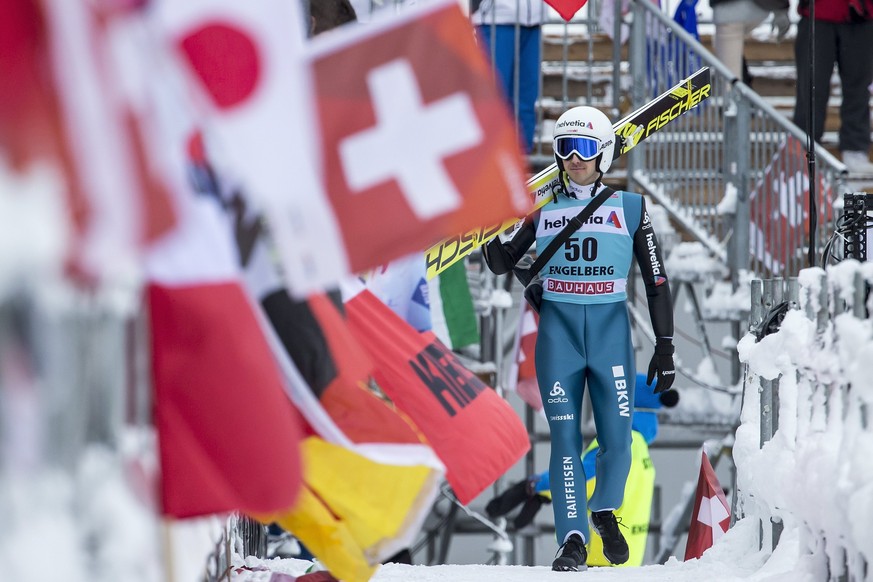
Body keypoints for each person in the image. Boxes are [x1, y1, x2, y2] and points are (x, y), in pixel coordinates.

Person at [483, 106, 676, 571]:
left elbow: (657, 282)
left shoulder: (630, 208)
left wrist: (666, 346)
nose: (573, 158)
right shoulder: (543, 207)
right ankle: (571, 538)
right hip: (559, 334)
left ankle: (604, 509)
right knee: (565, 437)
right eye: (564, 148)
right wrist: (487, 236)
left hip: (610, 332)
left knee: (617, 438)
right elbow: (502, 260)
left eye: (584, 149)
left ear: (603, 154)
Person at [485, 374, 680, 567]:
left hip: (599, 560)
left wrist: (536, 485)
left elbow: (582, 478)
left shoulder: (618, 443)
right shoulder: (639, 446)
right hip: (624, 561)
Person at [792, 0, 873, 174]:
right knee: (811, 88)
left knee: (859, 88)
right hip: (816, 15)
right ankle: (804, 148)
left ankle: (855, 148)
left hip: (861, 16)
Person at [471, 0, 547, 153]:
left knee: (526, 98)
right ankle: (491, 159)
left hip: (534, 18)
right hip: (496, 18)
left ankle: (522, 159)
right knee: (495, 97)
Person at [709, 0, 790, 83]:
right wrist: (781, 9)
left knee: (729, 80)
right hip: (761, 8)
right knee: (730, 70)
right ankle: (742, 81)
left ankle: (736, 87)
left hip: (730, 12)